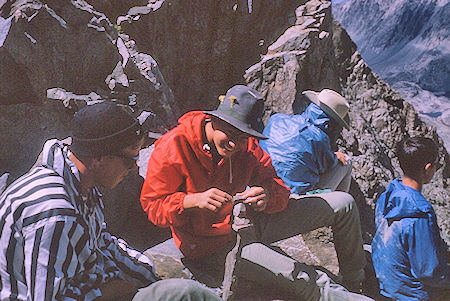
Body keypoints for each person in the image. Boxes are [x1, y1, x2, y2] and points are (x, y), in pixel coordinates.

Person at [141, 85, 372, 300]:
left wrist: (267, 195)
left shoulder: (246, 147)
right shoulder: (175, 145)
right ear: (214, 119)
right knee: (304, 280)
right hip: (212, 244)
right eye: (231, 134)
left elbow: (277, 184)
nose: (236, 144)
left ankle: (355, 282)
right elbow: (153, 206)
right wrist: (192, 201)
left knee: (343, 203)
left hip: (249, 222)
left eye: (243, 137)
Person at [0, 102, 221, 301]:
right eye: (130, 159)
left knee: (179, 291)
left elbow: (102, 244)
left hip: (92, 286)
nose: (135, 167)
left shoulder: (80, 188)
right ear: (98, 158)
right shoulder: (54, 212)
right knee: (183, 295)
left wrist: (151, 278)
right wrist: (112, 291)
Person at [371, 136, 450, 300]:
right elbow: (428, 272)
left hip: (387, 285)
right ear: (428, 168)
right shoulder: (419, 213)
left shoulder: (388, 196)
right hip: (411, 295)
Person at [260, 88, 352, 195]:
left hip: (260, 186)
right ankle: (338, 203)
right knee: (346, 162)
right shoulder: (320, 139)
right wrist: (336, 157)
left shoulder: (276, 119)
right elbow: (328, 164)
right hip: (290, 197)